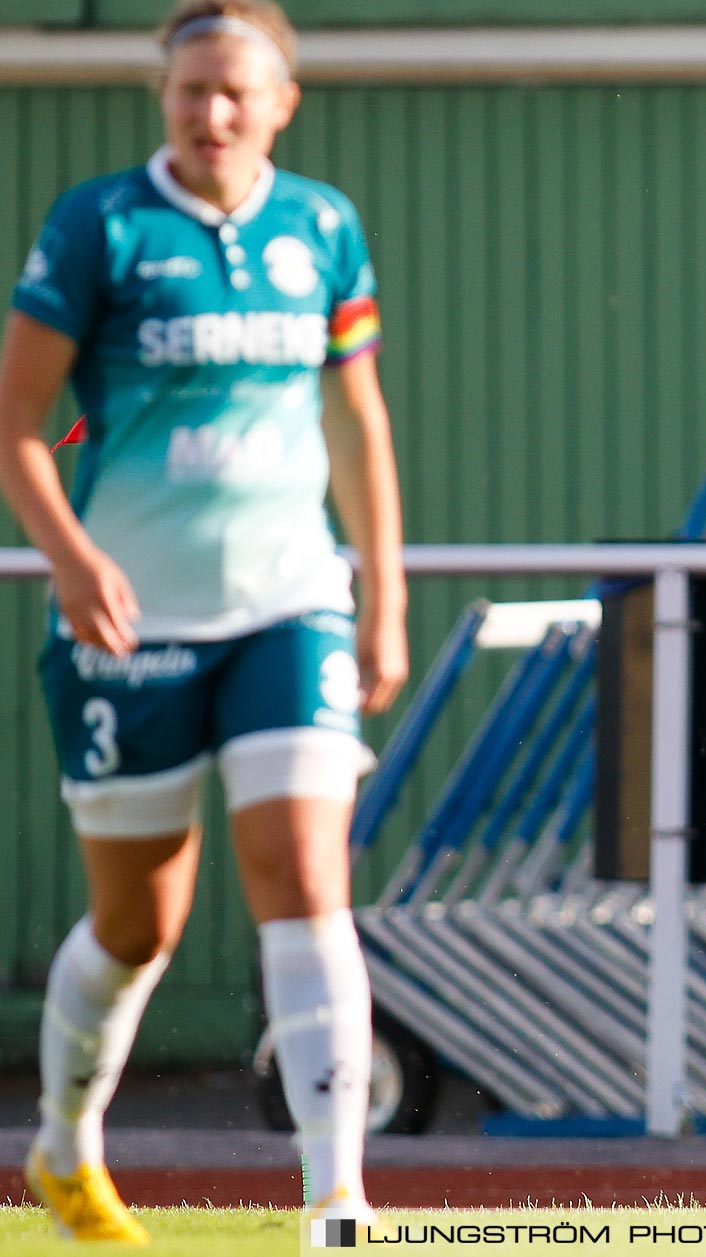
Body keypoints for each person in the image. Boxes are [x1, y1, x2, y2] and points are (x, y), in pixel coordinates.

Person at [0, 0, 405, 1241]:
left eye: (238, 92)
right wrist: (68, 558)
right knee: (142, 924)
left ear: (284, 102)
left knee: (304, 877)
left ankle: (334, 1199)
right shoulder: (101, 225)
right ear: (162, 98)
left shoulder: (323, 226)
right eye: (192, 91)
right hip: (134, 624)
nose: (212, 113)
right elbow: (18, 420)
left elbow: (355, 421)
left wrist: (381, 593)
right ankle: (66, 1152)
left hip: (289, 605)